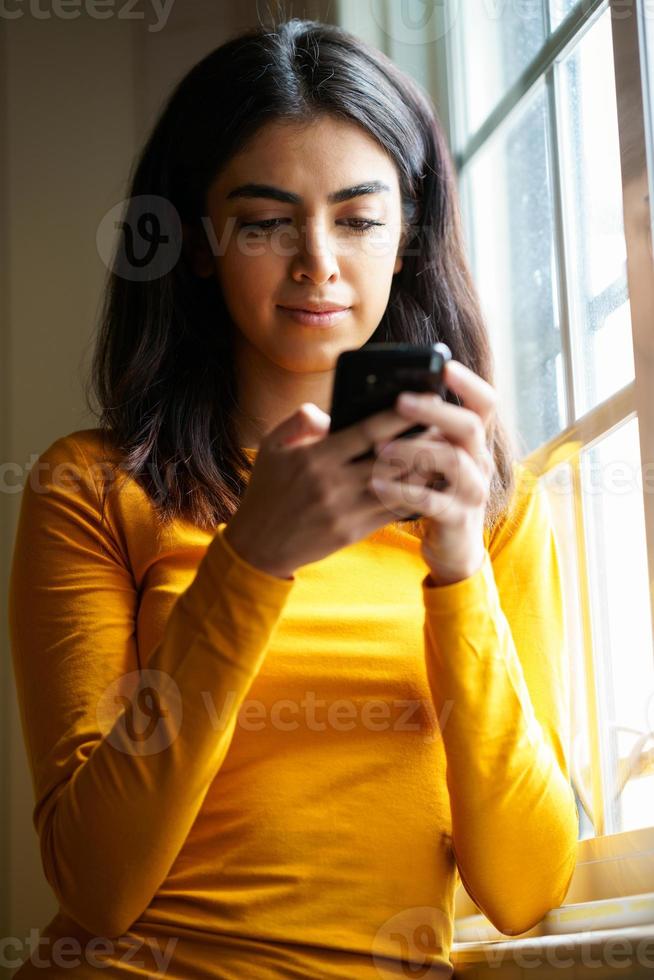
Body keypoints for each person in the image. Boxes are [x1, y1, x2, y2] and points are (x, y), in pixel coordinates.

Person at [8, 15, 579, 979]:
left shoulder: (487, 508)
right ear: (196, 245)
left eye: (358, 218)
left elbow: (524, 893)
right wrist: (251, 562)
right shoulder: (90, 486)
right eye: (267, 220)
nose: (318, 261)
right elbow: (95, 883)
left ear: (406, 239)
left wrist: (457, 571)